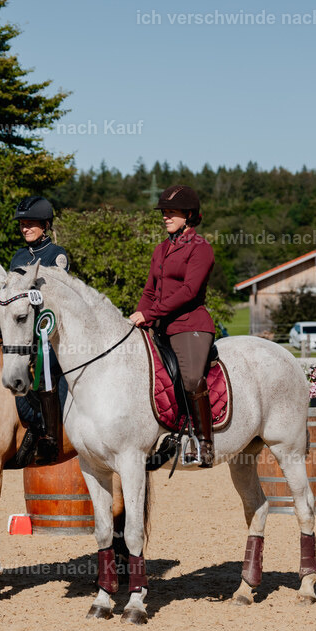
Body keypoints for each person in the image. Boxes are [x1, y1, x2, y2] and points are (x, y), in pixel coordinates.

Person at [129, 185, 216, 467]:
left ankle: (204, 442)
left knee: (191, 379)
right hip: (160, 325)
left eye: (172, 212)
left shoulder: (201, 248)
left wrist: (151, 314)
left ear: (189, 215)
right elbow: (150, 291)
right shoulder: (161, 249)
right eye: (164, 212)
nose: (166, 217)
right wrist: (139, 316)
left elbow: (189, 291)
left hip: (190, 325)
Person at [9, 196, 69, 464]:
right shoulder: (18, 257)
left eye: (30, 223)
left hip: (49, 334)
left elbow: (60, 293)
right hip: (21, 334)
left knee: (47, 373)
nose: (25, 228)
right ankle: (30, 427)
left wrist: (37, 297)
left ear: (45, 225)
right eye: (22, 224)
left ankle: (50, 437)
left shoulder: (57, 255)